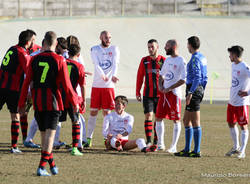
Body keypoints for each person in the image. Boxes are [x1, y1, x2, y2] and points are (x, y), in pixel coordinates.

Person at [18, 31, 79, 176]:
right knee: (50, 138)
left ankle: (51, 164)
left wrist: (21, 104)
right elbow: (67, 85)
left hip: (38, 102)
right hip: (53, 103)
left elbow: (26, 83)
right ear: (56, 43)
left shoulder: (34, 59)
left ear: (44, 42)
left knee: (45, 137)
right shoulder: (60, 60)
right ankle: (41, 167)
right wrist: (75, 101)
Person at [85, 30, 120, 147]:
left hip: (109, 86)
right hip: (97, 85)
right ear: (100, 37)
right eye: (106, 37)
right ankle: (88, 139)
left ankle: (107, 138)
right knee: (93, 112)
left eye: (110, 37)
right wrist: (102, 75)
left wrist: (113, 75)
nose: (108, 39)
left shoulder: (114, 49)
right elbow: (96, 64)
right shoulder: (95, 49)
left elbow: (115, 63)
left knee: (107, 113)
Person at [175, 36, 207, 157]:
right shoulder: (202, 57)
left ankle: (196, 150)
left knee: (195, 121)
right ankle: (187, 149)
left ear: (190, 45)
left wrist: (191, 92)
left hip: (193, 90)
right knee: (186, 120)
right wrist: (202, 89)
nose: (187, 46)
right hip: (197, 89)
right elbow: (205, 77)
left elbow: (198, 77)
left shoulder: (194, 59)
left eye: (187, 44)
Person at [0, 30, 32, 153]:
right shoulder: (22, 53)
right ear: (28, 42)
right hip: (13, 88)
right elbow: (29, 72)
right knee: (15, 116)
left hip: (1, 85)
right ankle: (14, 146)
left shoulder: (11, 48)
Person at [155, 40, 186, 153]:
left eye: (167, 46)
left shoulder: (181, 60)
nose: (165, 47)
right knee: (158, 117)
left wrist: (170, 88)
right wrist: (160, 85)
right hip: (164, 93)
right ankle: (160, 143)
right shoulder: (167, 60)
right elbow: (161, 75)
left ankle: (174, 146)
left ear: (174, 47)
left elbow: (184, 79)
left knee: (176, 120)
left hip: (174, 95)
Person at [136, 39, 165, 147]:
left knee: (158, 118)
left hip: (160, 95)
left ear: (157, 47)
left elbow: (168, 76)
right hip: (147, 94)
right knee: (148, 116)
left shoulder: (163, 60)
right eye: (148, 47)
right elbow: (140, 76)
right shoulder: (144, 60)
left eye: (152, 47)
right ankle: (148, 140)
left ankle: (156, 141)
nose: (150, 49)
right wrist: (137, 92)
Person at [59, 44, 86, 155]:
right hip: (72, 97)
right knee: (75, 121)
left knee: (55, 121)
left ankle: (50, 144)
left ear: (68, 53)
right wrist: (84, 100)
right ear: (78, 55)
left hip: (60, 96)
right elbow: (83, 85)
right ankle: (75, 148)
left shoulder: (61, 62)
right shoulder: (79, 66)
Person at [225, 46, 250, 159]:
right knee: (231, 123)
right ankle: (236, 147)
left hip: (241, 103)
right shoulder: (233, 65)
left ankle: (242, 151)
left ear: (235, 55)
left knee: (243, 126)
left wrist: (247, 92)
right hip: (232, 101)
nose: (229, 56)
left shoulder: (245, 67)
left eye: (230, 54)